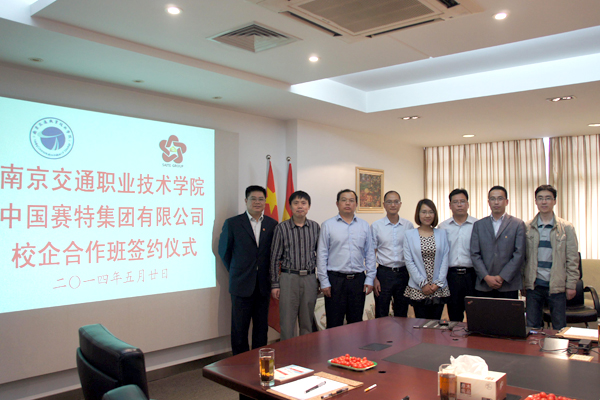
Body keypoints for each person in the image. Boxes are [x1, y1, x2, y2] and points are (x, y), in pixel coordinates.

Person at [218, 185, 277, 355]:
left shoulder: (272, 224)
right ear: (246, 200)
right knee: (239, 328)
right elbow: (224, 252)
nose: (257, 202)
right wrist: (238, 271)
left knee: (261, 328)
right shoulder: (233, 223)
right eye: (253, 199)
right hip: (241, 284)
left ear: (265, 202)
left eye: (261, 199)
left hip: (263, 285)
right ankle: (239, 363)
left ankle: (260, 361)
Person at [317, 189, 376, 328]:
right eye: (344, 200)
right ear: (337, 203)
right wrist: (324, 281)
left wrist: (370, 278)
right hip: (335, 280)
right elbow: (322, 254)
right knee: (334, 323)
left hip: (358, 281)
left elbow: (370, 254)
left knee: (355, 323)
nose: (347, 203)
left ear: (356, 204)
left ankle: (353, 344)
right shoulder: (328, 225)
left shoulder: (364, 225)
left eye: (351, 200)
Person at [522, 185, 579, 329]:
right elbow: (523, 259)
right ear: (535, 201)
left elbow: (572, 259)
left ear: (554, 201)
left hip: (556, 286)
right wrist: (523, 283)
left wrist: (571, 285)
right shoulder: (527, 227)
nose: (544, 202)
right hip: (534, 285)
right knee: (532, 327)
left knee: (559, 328)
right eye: (540, 198)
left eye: (548, 198)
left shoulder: (566, 228)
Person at [270, 191, 320, 340]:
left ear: (308, 206)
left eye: (303, 203)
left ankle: (306, 352)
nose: (300, 206)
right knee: (287, 322)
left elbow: (320, 255)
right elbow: (274, 258)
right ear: (290, 206)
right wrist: (275, 284)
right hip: (288, 278)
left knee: (307, 322)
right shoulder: (281, 228)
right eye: (296, 203)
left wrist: (321, 280)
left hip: (310, 278)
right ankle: (287, 353)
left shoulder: (315, 227)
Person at [470, 185, 526, 299]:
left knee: (508, 311)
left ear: (506, 202)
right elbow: (474, 254)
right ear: (488, 202)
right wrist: (486, 277)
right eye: (493, 199)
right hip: (484, 284)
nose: (496, 202)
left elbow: (519, 254)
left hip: (509, 284)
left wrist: (502, 277)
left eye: (500, 198)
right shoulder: (479, 225)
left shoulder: (517, 224)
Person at [403, 199, 450, 320]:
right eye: (424, 212)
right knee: (421, 324)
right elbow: (409, 261)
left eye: (430, 212)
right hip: (418, 287)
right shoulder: (409, 235)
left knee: (436, 324)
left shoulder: (442, 233)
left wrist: (438, 283)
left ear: (435, 214)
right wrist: (423, 283)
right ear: (418, 214)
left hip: (438, 287)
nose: (427, 215)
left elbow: (445, 259)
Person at [371, 190, 414, 318]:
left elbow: (412, 252)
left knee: (402, 312)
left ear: (400, 204)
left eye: (396, 202)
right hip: (384, 274)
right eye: (389, 202)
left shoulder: (408, 226)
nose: (393, 205)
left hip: (403, 273)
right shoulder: (376, 226)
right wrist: (374, 278)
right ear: (384, 204)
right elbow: (371, 254)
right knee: (381, 312)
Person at [438, 188, 478, 322]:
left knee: (475, 315)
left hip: (472, 275)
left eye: (462, 201)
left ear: (468, 204)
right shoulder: (443, 227)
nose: (459, 205)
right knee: (454, 316)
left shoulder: (477, 225)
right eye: (455, 202)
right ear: (450, 205)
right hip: (452, 276)